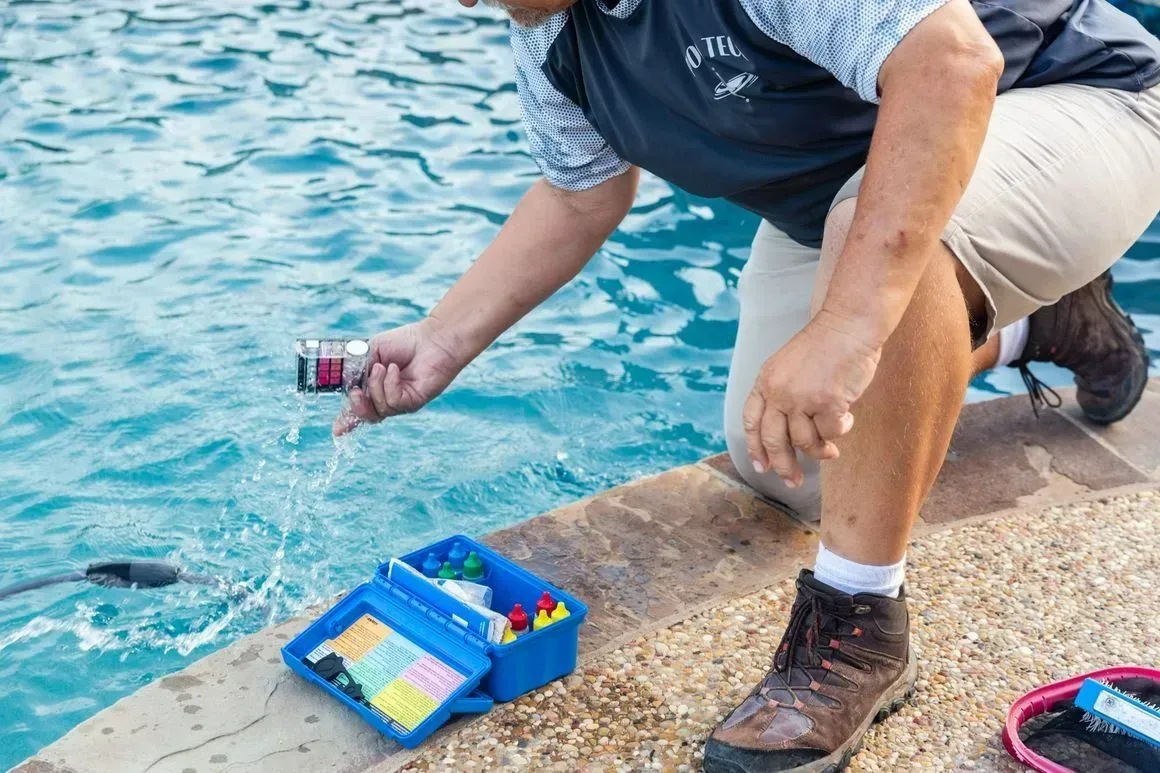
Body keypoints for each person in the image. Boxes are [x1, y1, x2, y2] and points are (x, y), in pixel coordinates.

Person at [335, 0, 1160, 770]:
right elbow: (577, 195)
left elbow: (951, 63)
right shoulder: (551, 33)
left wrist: (844, 330)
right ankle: (1035, 324)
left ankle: (861, 625)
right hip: (864, 176)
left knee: (878, 285)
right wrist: (441, 341)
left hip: (1076, 102)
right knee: (784, 458)